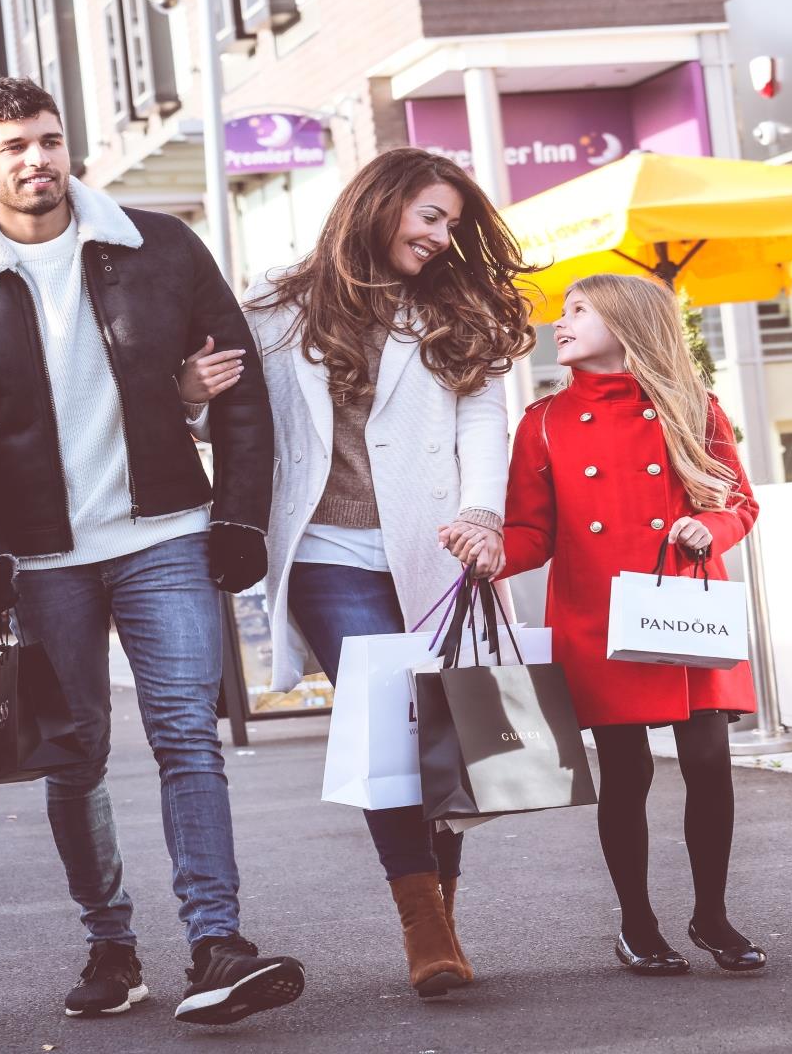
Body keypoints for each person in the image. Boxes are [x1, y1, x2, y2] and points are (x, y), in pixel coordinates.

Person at [0, 77, 302, 1026]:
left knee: (187, 739)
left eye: (48, 138)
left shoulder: (158, 248)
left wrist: (240, 516)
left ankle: (216, 942)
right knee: (72, 754)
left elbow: (239, 392)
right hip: (41, 559)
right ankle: (111, 945)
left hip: (162, 533)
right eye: (13, 147)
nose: (36, 159)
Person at [183, 146, 534, 997]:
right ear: (380, 206)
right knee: (387, 720)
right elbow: (226, 421)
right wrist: (188, 392)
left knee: (445, 725)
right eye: (429, 218)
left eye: (452, 224)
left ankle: (441, 910)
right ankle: (422, 923)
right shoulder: (275, 302)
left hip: (437, 542)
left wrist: (485, 512)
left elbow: (487, 418)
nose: (443, 239)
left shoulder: (453, 306)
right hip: (325, 549)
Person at [498, 273, 766, 977]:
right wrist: (491, 554)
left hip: (682, 602)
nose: (561, 322)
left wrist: (708, 527)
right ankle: (637, 924)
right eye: (563, 311)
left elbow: (739, 503)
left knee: (708, 760)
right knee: (626, 771)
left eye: (579, 310)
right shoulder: (544, 422)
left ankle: (713, 915)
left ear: (626, 321)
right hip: (597, 614)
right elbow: (533, 532)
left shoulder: (691, 404)